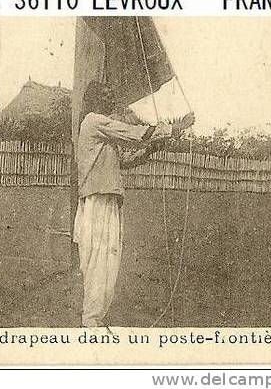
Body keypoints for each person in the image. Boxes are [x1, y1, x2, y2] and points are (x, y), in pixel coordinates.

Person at [74, 80, 194, 327]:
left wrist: (152, 148)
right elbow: (134, 134)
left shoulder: (98, 128)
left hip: (103, 199)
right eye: (106, 94)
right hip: (98, 200)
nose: (111, 99)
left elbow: (124, 160)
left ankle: (93, 319)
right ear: (95, 98)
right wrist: (172, 129)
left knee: (105, 260)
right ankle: (90, 321)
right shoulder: (95, 120)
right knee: (100, 260)